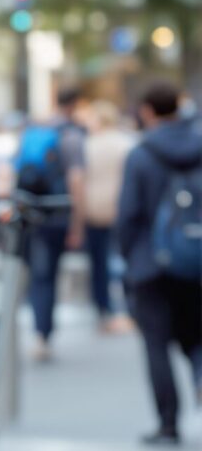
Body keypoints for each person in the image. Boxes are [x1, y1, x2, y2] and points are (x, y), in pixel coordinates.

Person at [114, 81, 202, 446]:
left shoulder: (141, 154)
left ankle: (168, 423)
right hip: (196, 259)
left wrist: (129, 258)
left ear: (148, 110)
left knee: (156, 345)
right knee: (198, 339)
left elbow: (128, 214)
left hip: (150, 264)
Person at [12, 85, 88, 361]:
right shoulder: (71, 136)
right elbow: (76, 182)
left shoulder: (32, 131)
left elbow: (12, 170)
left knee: (38, 275)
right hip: (57, 214)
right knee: (48, 275)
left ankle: (41, 331)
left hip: (31, 212)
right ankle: (43, 333)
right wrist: (77, 224)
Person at [82, 98, 138, 335]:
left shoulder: (88, 144)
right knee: (121, 260)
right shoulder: (126, 144)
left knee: (99, 263)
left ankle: (105, 308)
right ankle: (126, 309)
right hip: (120, 209)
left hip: (93, 209)